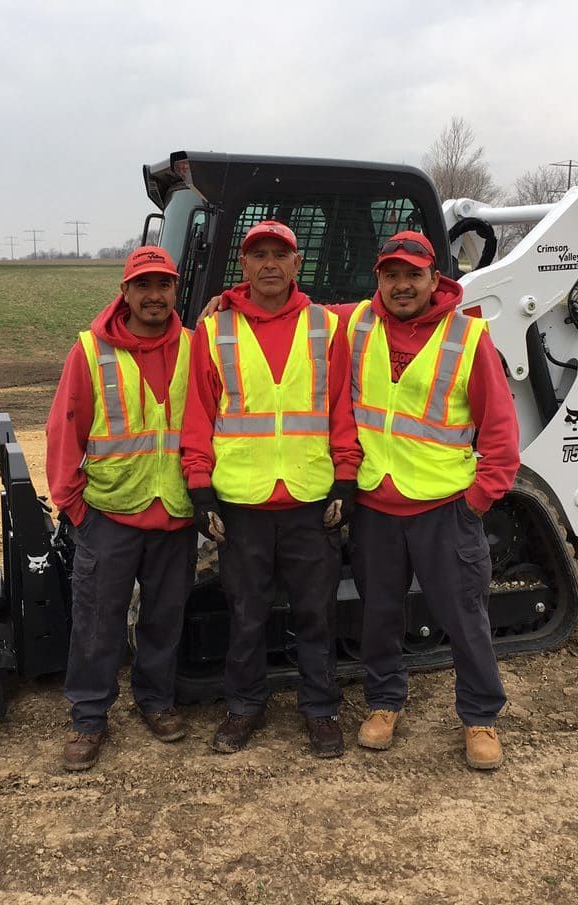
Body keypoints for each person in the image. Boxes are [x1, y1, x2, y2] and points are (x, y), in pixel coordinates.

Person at [181, 220, 361, 758]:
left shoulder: (326, 327)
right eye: (258, 255)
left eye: (279, 255)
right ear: (244, 266)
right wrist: (201, 491)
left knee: (316, 613)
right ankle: (244, 707)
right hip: (242, 504)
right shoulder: (214, 332)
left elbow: (340, 412)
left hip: (310, 499)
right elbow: (198, 417)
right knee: (246, 614)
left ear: (296, 262)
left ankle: (321, 709)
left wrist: (345, 480)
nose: (269, 265)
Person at [346, 230, 519, 770]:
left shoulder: (467, 337)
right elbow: (288, 310)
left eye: (413, 275)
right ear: (378, 278)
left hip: (446, 508)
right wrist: (227, 300)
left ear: (433, 279)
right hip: (376, 502)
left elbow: (499, 428)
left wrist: (480, 497)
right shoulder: (354, 323)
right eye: (391, 275)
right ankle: (383, 702)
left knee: (464, 616)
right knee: (377, 614)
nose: (401, 286)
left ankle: (480, 716)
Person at [45, 246, 197, 771]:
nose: (154, 297)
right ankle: (89, 717)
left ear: (175, 291)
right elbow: (65, 429)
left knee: (165, 617)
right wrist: (73, 506)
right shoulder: (91, 352)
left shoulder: (197, 348)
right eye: (143, 286)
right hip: (108, 513)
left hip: (175, 512)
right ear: (125, 291)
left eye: (164, 286)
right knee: (97, 620)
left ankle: (155, 701)